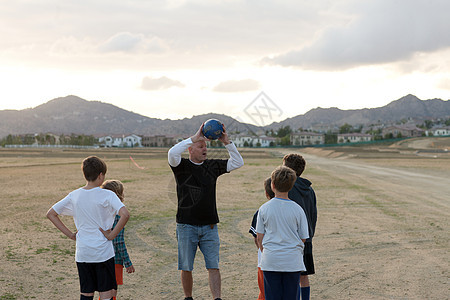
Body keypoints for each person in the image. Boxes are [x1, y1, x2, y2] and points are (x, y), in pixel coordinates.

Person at [168, 123, 244, 300]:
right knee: (186, 266)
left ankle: (217, 298)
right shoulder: (181, 167)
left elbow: (238, 162)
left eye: (206, 146)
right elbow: (172, 153)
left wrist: (227, 142)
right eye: (200, 146)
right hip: (186, 226)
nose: (205, 149)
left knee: (213, 266)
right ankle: (188, 297)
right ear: (190, 149)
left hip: (210, 227)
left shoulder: (212, 166)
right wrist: (194, 137)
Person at [46, 156, 130, 300]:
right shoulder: (108, 195)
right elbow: (125, 214)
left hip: (83, 253)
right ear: (101, 175)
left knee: (86, 293)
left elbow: (51, 214)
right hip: (103, 253)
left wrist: (71, 235)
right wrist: (111, 236)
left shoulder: (75, 195)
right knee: (106, 293)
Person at [256, 166, 309, 300]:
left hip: (271, 260)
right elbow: (303, 237)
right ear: (291, 186)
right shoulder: (298, 209)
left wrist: (267, 250)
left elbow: (259, 238)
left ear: (272, 185)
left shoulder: (264, 209)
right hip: (292, 261)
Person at [282, 154, 317, 300]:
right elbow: (314, 214)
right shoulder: (310, 190)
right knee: (303, 275)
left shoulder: (288, 188)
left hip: (292, 239)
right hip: (306, 238)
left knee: (292, 275)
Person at [100, 180, 135, 300]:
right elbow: (119, 242)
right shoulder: (118, 215)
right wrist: (128, 262)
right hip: (114, 259)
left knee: (103, 290)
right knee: (112, 291)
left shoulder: (100, 213)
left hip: (99, 256)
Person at [249, 177, 275, 300]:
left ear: (266, 193)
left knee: (265, 293)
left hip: (265, 260)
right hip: (288, 259)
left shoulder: (262, 210)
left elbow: (257, 238)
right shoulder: (294, 208)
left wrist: (262, 250)